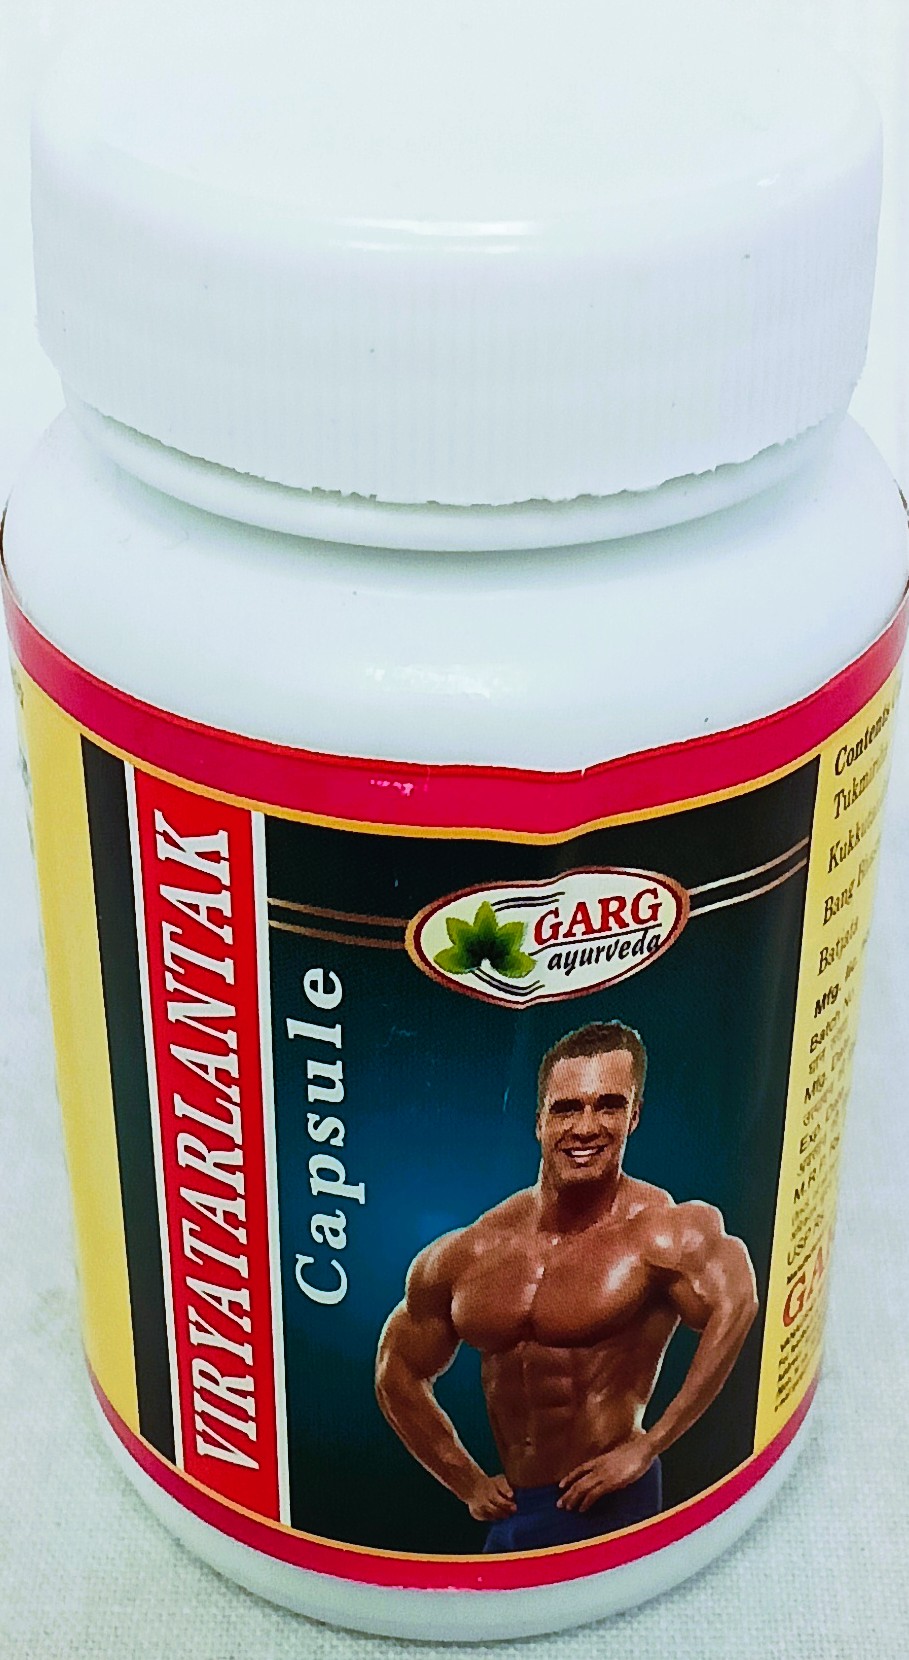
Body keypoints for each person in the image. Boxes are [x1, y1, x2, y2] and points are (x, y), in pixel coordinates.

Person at [375, 1021, 758, 1551]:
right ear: (539, 1121)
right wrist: (466, 1480)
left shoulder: (660, 1232)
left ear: (634, 1115)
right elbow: (396, 1367)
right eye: (566, 1109)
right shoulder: (472, 1249)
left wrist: (648, 1446)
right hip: (514, 1510)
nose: (586, 1127)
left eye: (609, 1106)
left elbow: (738, 1300)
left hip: (610, 1496)